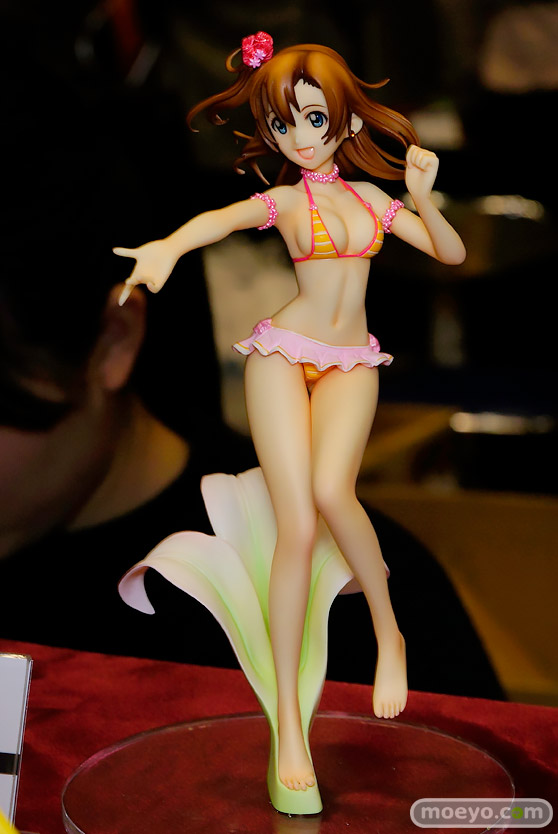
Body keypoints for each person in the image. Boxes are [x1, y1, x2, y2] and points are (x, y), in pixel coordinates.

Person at [113, 35, 466, 795]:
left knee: (335, 492)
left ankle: (389, 633)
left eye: (313, 119)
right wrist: (167, 249)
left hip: (352, 361)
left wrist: (424, 198)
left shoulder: (374, 201)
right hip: (281, 352)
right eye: (282, 124)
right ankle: (291, 734)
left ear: (346, 121)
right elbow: (219, 219)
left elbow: (451, 254)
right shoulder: (287, 202)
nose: (299, 137)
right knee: (296, 525)